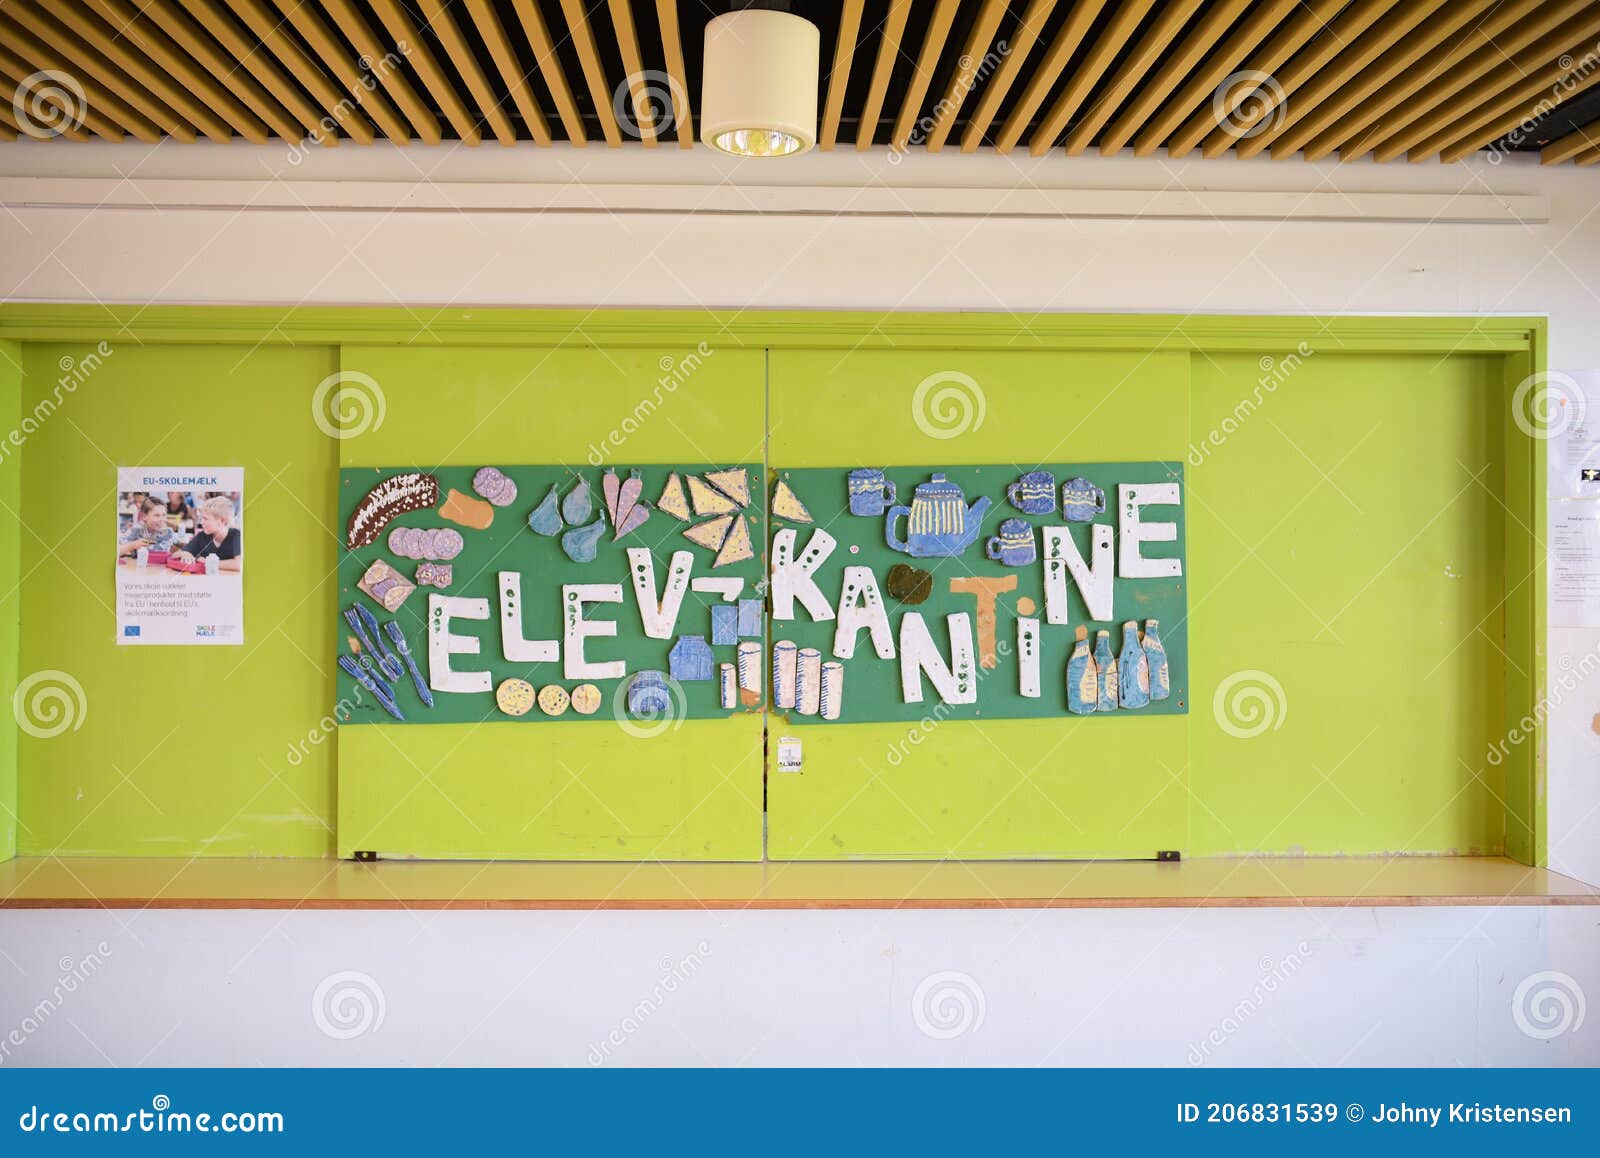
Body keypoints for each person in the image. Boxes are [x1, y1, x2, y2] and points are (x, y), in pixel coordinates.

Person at [172, 495, 243, 573]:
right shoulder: (202, 536)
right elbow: (175, 555)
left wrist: (207, 562)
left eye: (205, 519)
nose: (201, 522)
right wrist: (184, 554)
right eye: (201, 518)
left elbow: (238, 564)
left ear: (222, 521)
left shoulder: (237, 535)